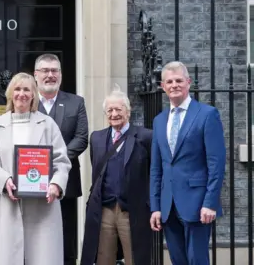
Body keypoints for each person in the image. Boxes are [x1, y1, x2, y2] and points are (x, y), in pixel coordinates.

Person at [0, 72, 72, 265]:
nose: (22, 93)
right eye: (17, 89)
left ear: (33, 95)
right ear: (11, 93)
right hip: (5, 205)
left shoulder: (47, 125)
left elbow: (61, 161)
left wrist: (55, 184)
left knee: (41, 258)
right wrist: (4, 181)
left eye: (26, 89)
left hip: (41, 209)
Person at [150, 61, 226, 265]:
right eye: (169, 81)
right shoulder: (159, 120)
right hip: (168, 205)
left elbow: (216, 164)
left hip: (198, 203)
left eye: (178, 80)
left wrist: (210, 203)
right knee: (178, 260)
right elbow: (156, 168)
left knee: (197, 260)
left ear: (188, 82)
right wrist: (155, 206)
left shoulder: (207, 114)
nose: (174, 85)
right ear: (163, 86)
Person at [80, 88, 152, 265]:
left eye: (118, 109)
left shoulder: (145, 136)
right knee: (104, 258)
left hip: (132, 210)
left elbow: (154, 172)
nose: (114, 114)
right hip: (105, 209)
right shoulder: (96, 138)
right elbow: (97, 171)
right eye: (110, 110)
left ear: (128, 111)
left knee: (135, 259)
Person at [33, 54, 88, 265]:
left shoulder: (76, 102)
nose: (50, 75)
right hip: (31, 179)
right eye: (45, 71)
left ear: (61, 75)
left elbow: (81, 138)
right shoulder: (26, 101)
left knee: (66, 239)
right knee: (35, 237)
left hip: (67, 182)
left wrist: (54, 160)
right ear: (35, 75)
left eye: (54, 70)